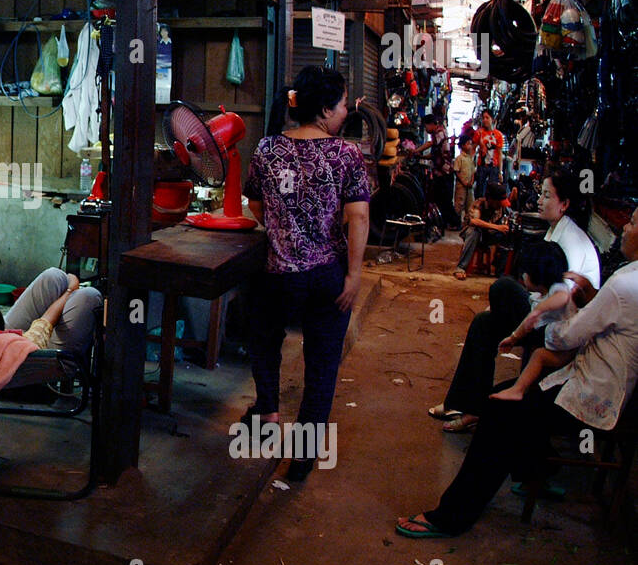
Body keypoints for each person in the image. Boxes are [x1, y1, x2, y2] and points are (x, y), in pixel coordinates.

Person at [397, 206, 638, 538]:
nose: (625, 227)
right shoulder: (624, 275)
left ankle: (452, 516)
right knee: (505, 368)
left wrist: (547, 310)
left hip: (594, 391)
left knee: (500, 409)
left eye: (634, 222)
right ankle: (533, 470)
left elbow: (567, 335)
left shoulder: (625, 284)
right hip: (591, 374)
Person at [243, 66, 370, 481]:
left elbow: (256, 207)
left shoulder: (266, 149)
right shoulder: (346, 154)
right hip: (327, 276)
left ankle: (269, 415)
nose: (347, 109)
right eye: (344, 102)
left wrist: (285, 228)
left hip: (279, 274)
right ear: (326, 109)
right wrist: (353, 276)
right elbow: (358, 217)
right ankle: (302, 457)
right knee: (321, 363)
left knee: (263, 341)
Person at [428, 166, 601, 431]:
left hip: (561, 330)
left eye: (546, 196)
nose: (540, 201)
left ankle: (474, 407)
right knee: (483, 323)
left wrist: (526, 319)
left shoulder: (572, 241)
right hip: (546, 318)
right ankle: (467, 405)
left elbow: (563, 299)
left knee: (504, 287)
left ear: (564, 204)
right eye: (540, 195)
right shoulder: (555, 230)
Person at [487, 242, 575, 403]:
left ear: (536, 274)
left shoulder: (558, 288)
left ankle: (519, 389)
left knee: (538, 356)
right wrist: (513, 338)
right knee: (535, 354)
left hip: (565, 351)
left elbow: (563, 298)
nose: (523, 277)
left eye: (525, 273)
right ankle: (521, 389)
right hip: (549, 341)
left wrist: (540, 309)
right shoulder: (538, 296)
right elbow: (526, 325)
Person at [452, 181, 509, 280]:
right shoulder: (479, 203)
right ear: (491, 199)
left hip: (489, 235)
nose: (501, 204)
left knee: (507, 235)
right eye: (499, 201)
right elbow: (474, 221)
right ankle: (460, 268)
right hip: (474, 234)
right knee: (474, 231)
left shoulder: (501, 208)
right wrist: (497, 227)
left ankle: (499, 269)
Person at [417, 113, 456, 229]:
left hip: (445, 172)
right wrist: (421, 156)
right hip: (440, 172)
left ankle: (455, 222)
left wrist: (416, 151)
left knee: (445, 200)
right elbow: (434, 155)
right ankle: (443, 223)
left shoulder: (439, 132)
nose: (426, 129)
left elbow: (430, 144)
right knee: (439, 199)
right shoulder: (437, 134)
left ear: (432, 124)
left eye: (426, 126)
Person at [472, 110, 503, 198]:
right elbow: (473, 149)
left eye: (487, 118)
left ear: (492, 119)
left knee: (492, 191)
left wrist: (500, 171)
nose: (485, 120)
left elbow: (500, 154)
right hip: (481, 166)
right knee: (479, 190)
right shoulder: (479, 133)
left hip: (494, 167)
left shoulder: (498, 135)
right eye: (483, 118)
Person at [453, 136, 476, 227]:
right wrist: (463, 182)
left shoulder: (470, 158)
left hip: (470, 187)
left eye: (470, 144)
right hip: (461, 186)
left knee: (470, 205)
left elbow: (473, 171)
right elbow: (457, 171)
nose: (470, 146)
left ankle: (467, 223)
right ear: (462, 146)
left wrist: (472, 181)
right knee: (459, 204)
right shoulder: (459, 158)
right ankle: (456, 223)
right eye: (468, 144)